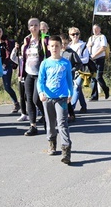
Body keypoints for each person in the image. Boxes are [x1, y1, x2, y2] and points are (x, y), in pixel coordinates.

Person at [38, 36, 74, 165]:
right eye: (52, 46)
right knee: (50, 123)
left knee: (62, 123)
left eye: (57, 46)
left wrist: (71, 93)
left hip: (62, 98)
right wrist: (41, 93)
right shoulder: (45, 63)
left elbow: (69, 80)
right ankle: (52, 143)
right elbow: (40, 81)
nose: (54, 48)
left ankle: (66, 150)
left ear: (61, 47)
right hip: (47, 98)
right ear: (48, 48)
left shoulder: (65, 63)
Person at [21, 17, 48, 136]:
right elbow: (24, 58)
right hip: (28, 73)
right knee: (29, 100)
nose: (34, 27)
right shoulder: (27, 40)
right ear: (28, 27)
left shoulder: (45, 40)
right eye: (31, 25)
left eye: (36, 25)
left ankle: (48, 118)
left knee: (36, 99)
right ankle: (33, 126)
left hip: (40, 74)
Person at [68, 27, 89, 113]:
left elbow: (86, 59)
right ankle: (83, 105)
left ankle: (71, 108)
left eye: (77, 34)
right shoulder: (68, 46)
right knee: (78, 88)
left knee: (76, 87)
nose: (75, 36)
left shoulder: (83, 45)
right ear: (70, 35)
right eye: (73, 34)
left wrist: (77, 61)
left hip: (82, 69)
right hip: (72, 70)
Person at [87, 24, 110, 100]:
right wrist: (89, 45)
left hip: (99, 59)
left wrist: (94, 55)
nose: (95, 30)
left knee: (99, 77)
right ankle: (94, 96)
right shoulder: (91, 38)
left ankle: (105, 89)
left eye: (96, 29)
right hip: (91, 60)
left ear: (100, 29)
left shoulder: (102, 37)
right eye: (94, 29)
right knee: (93, 78)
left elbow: (103, 47)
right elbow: (87, 48)